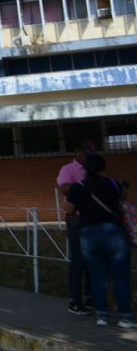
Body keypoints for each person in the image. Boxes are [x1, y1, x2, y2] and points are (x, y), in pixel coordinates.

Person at [66, 154, 136, 328]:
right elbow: (122, 200)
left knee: (97, 277)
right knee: (121, 276)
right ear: (104, 168)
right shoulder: (113, 183)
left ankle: (102, 316)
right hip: (114, 233)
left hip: (89, 235)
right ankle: (126, 317)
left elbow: (69, 210)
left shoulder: (79, 187)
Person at [58, 141, 95, 315]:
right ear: (77, 151)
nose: (89, 156)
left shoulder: (94, 168)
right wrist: (83, 186)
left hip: (92, 218)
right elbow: (64, 188)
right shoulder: (68, 170)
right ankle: (75, 299)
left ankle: (90, 296)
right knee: (78, 260)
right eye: (86, 152)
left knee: (92, 259)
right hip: (76, 219)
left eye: (92, 152)